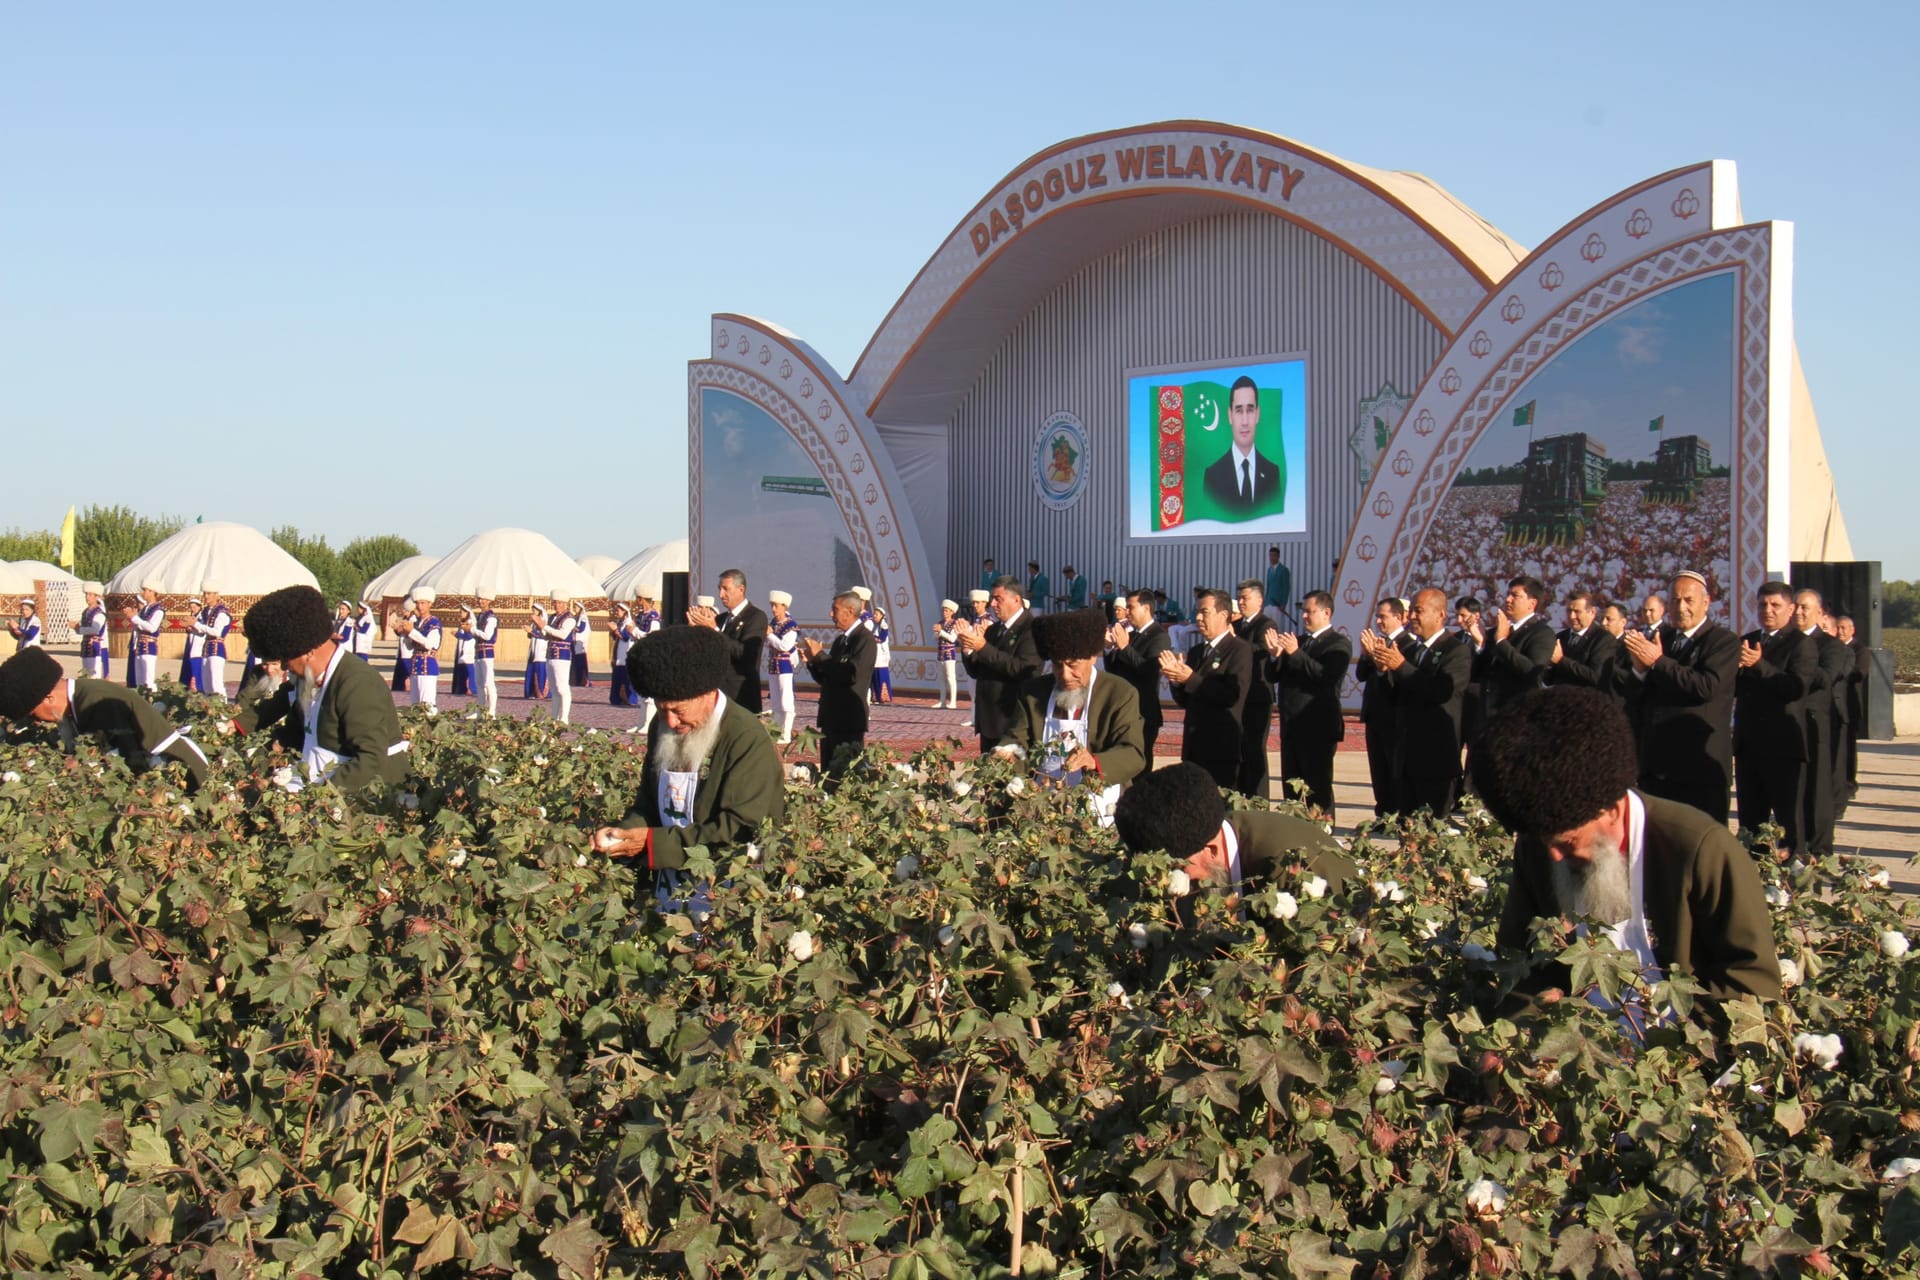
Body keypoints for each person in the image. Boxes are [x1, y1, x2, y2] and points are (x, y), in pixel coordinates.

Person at [1472, 686, 1781, 1003]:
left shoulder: (1701, 849)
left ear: (1613, 809)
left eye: (1567, 842)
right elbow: (1520, 966)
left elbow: (1751, 982)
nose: (1553, 854)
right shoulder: (1537, 843)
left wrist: (1674, 1042)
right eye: (1543, 840)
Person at [593, 625, 785, 892]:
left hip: (727, 892)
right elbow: (648, 803)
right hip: (669, 886)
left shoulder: (745, 738)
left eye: (678, 710)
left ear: (707, 693)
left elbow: (740, 830)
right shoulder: (661, 727)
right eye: (661, 709)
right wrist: (623, 834)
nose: (670, 721)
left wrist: (652, 844)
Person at [1113, 763, 1357, 922]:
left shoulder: (1289, 866)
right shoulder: (1203, 846)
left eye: (1174, 868)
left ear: (1211, 849)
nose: (1164, 880)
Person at [226, 584, 409, 793]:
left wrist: (318, 798)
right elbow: (292, 732)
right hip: (317, 779)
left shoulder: (357, 683)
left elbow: (370, 759)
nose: (284, 666)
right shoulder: (307, 679)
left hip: (367, 793)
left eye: (286, 659)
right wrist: (257, 767)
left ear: (308, 653)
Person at [0, 646, 209, 791]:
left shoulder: (96, 702)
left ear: (49, 698)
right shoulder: (81, 699)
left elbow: (129, 762)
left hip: (182, 775)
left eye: (32, 712)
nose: (36, 721)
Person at [1621, 570, 1737, 822]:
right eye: (1675, 600)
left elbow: (1706, 687)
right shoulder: (1663, 638)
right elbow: (1638, 698)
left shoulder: (1721, 641)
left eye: (1688, 600)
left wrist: (1658, 661)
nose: (1681, 607)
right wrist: (1639, 671)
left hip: (1698, 767)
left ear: (1705, 603)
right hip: (1657, 764)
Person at [1003, 607, 1146, 790]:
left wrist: (1094, 762)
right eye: (1057, 665)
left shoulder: (1120, 693)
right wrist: (1005, 753)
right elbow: (1016, 738)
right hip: (1042, 799)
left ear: (1093, 657)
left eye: (1073, 665)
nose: (1065, 675)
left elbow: (1133, 753)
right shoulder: (1033, 692)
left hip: (1100, 799)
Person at [1372, 587, 1473, 817]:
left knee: (1430, 834)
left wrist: (1400, 666)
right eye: (1412, 611)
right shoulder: (1411, 649)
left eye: (1419, 611)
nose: (1413, 617)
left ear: (1440, 615)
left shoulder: (1456, 651)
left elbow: (1440, 691)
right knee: (1407, 833)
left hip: (1435, 758)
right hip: (1406, 757)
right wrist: (1383, 671)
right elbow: (1394, 696)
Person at [1733, 582, 1819, 853]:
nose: (1767, 611)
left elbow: (1795, 688)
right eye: (1762, 605)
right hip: (1749, 746)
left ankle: (1793, 881)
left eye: (1775, 605)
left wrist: (1759, 665)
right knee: (1751, 825)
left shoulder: (1801, 644)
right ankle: (1755, 879)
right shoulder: (1747, 641)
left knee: (1788, 823)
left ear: (1790, 609)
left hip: (1784, 749)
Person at [1266, 589, 1352, 816]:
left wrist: (1295, 653)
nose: (1304, 616)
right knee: (1292, 785)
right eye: (1302, 612)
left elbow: (1325, 677)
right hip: (1292, 725)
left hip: (1318, 726)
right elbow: (1274, 676)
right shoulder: (1300, 641)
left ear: (1326, 612)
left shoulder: (1338, 643)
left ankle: (1323, 830)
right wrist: (1276, 655)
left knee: (1317, 785)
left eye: (1309, 612)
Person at [1159, 588, 1252, 791]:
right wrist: (1176, 680)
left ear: (1223, 615)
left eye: (1204, 612)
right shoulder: (1197, 652)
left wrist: (1190, 678)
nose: (1198, 618)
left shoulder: (1239, 650)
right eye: (1197, 612)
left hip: (1220, 747)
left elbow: (1231, 695)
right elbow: (1186, 700)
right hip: (1194, 745)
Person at [958, 575, 1041, 753]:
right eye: (992, 599)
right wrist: (968, 648)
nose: (993, 605)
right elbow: (976, 671)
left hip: (1012, 722)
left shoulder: (1031, 629)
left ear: (1016, 599)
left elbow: (1021, 668)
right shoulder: (994, 630)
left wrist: (983, 647)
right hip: (989, 721)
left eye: (998, 599)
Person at [1797, 589, 1852, 852]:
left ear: (1820, 613)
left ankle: (1819, 847)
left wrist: (1797, 667)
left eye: (1805, 607)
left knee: (1819, 789)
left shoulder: (1831, 646)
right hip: (1785, 726)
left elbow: (1825, 678)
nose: (1798, 612)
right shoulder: (1784, 641)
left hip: (1817, 723)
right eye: (1795, 606)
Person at [801, 590, 878, 774]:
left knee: (846, 775)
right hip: (831, 718)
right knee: (828, 774)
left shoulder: (864, 640)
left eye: (835, 609)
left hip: (848, 720)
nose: (831, 614)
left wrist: (821, 656)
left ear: (850, 611)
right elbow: (827, 679)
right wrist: (813, 662)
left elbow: (851, 675)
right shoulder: (840, 641)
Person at [1354, 596, 1416, 817]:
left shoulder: (1408, 644)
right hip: (1374, 715)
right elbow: (1361, 675)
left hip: (1394, 715)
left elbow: (1398, 682)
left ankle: (1397, 813)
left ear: (1398, 617)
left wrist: (1382, 667)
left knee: (1394, 769)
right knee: (1378, 769)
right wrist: (1366, 655)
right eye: (1377, 616)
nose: (1378, 621)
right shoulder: (1377, 642)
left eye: (1383, 616)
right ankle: (1383, 812)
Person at [1105, 589, 1172, 764]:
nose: (1127, 611)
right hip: (1123, 709)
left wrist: (1125, 648)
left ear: (1146, 608)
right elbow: (1114, 670)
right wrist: (1109, 648)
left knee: (1140, 764)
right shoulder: (1131, 634)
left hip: (1143, 711)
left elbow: (1148, 670)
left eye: (1131, 607)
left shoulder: (1160, 636)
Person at [1476, 576, 1556, 720]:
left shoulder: (1542, 633)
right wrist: (1479, 645)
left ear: (1532, 603)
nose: (1508, 599)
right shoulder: (1495, 632)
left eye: (1515, 596)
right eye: (1508, 594)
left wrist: (1502, 642)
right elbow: (1477, 673)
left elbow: (1532, 671)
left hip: (1516, 717)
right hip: (1486, 717)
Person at [691, 568, 768, 716]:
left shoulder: (755, 617)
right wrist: (698, 631)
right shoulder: (721, 619)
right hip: (717, 695)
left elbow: (745, 654)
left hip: (740, 697)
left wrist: (714, 630)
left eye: (726, 589)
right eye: (719, 589)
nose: (721, 595)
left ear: (741, 589)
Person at [1202, 376, 1283, 513]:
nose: (1245, 421)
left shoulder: (1272, 474)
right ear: (1230, 415)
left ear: (1257, 414)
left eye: (1250, 410)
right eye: (1239, 410)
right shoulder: (1212, 476)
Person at [1231, 579, 1279, 797]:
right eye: (1239, 597)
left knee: (1255, 750)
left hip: (1258, 695)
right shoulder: (1237, 625)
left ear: (1259, 601)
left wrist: (1235, 643)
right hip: (1239, 695)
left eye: (1245, 598)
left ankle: (1259, 799)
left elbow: (1260, 651)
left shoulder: (1266, 625)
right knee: (1239, 748)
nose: (1240, 602)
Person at [1548, 589, 1619, 696]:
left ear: (1592, 612)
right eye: (1569, 611)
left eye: (1577, 611)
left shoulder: (1604, 639)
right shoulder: (1560, 637)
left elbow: (1596, 677)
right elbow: (1549, 679)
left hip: (1586, 703)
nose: (1572, 616)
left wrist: (1561, 660)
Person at [393, 590, 444, 708]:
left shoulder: (433, 623)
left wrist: (411, 632)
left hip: (427, 664)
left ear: (430, 604)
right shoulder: (417, 623)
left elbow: (430, 644)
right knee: (415, 704)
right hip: (415, 664)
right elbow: (410, 646)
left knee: (427, 704)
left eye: (423, 603)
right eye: (418, 603)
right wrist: (406, 634)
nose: (420, 606)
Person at [535, 590, 578, 723]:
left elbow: (562, 634)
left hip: (562, 656)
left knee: (562, 687)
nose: (557, 605)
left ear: (565, 604)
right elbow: (548, 635)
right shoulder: (553, 617)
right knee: (554, 689)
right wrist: (538, 628)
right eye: (555, 603)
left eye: (560, 603)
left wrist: (544, 626)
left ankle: (564, 717)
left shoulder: (569, 619)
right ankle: (554, 716)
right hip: (551, 654)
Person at [765, 589, 801, 743]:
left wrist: (769, 635)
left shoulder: (791, 626)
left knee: (786, 701)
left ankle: (786, 734)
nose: (773, 609)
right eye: (772, 605)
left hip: (785, 665)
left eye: (776, 606)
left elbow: (784, 646)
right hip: (773, 664)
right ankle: (777, 731)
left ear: (784, 606)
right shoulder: (773, 623)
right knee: (775, 701)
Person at [1838, 614, 1868, 799]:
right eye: (1838, 628)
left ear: (1852, 630)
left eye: (1844, 628)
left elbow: (1859, 673)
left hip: (1850, 705)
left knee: (1848, 746)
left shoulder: (1860, 650)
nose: (1840, 632)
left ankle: (1850, 782)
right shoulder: (1832, 648)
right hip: (1834, 705)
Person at [192, 584, 232, 700]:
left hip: (216, 649)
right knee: (207, 684)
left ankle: (222, 712)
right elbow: (203, 631)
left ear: (216, 595)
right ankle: (210, 711)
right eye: (205, 593)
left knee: (216, 683)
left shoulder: (221, 612)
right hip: (206, 649)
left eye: (209, 593)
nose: (206, 596)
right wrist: (193, 628)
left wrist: (196, 624)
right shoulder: (206, 611)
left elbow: (216, 632)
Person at [126, 582, 165, 691]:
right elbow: (139, 625)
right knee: (140, 682)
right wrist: (132, 618)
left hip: (149, 646)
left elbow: (152, 628)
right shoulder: (144, 609)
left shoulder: (158, 610)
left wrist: (135, 618)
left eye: (145, 590)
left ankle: (152, 702)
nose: (142, 592)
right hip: (140, 646)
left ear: (152, 592)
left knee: (148, 680)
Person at [469, 589, 500, 716]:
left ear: (489, 601)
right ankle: (480, 711)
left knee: (488, 682)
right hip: (478, 652)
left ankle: (492, 711)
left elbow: (487, 636)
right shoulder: (480, 616)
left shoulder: (491, 618)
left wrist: (472, 630)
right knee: (480, 684)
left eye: (484, 599)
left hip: (487, 652)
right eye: (480, 599)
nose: (481, 601)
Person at [609, 603, 644, 709]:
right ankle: (616, 699)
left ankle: (631, 699)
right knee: (617, 679)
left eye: (619, 610)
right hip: (619, 655)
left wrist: (615, 630)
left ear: (625, 612)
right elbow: (617, 638)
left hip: (626, 654)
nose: (617, 612)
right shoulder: (620, 622)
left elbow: (625, 637)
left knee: (628, 680)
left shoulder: (629, 623)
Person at [75, 582, 109, 679]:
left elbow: (95, 630)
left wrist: (79, 629)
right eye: (86, 594)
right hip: (86, 647)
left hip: (95, 648)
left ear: (96, 597)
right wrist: (77, 628)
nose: (87, 597)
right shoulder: (86, 612)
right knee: (86, 674)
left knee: (94, 676)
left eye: (90, 595)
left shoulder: (99, 613)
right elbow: (83, 630)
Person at [933, 599, 961, 710]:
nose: (945, 612)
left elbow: (953, 639)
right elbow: (935, 638)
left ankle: (953, 701)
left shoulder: (954, 624)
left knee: (950, 677)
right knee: (941, 678)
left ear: (952, 612)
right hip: (940, 653)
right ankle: (942, 701)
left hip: (949, 653)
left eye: (947, 610)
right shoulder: (940, 623)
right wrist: (936, 632)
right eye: (944, 610)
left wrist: (941, 632)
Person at [524, 604, 550, 701]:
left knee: (540, 670)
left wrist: (532, 631)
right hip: (533, 649)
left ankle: (542, 692)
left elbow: (543, 635)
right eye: (533, 609)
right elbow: (531, 635)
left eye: (535, 609)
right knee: (531, 669)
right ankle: (531, 692)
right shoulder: (533, 622)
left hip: (541, 648)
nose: (533, 611)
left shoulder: (543, 621)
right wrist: (529, 631)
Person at [451, 607, 478, 698]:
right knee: (462, 671)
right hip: (462, 650)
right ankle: (461, 689)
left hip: (468, 651)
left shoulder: (470, 623)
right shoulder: (462, 623)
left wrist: (457, 634)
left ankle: (474, 690)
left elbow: (469, 636)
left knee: (470, 671)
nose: (461, 614)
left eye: (462, 612)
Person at [1263, 547, 1293, 628]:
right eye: (1270, 555)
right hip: (1268, 603)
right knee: (1265, 626)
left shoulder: (1284, 570)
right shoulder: (1269, 570)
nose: (1271, 558)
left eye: (1274, 555)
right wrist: (1265, 602)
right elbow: (1268, 587)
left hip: (1277, 604)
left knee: (1276, 627)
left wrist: (1283, 603)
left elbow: (1286, 588)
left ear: (1278, 556)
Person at [870, 604, 893, 704]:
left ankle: (883, 698)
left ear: (882, 616)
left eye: (876, 614)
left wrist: (871, 638)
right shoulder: (875, 626)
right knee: (874, 677)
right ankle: (875, 697)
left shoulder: (884, 626)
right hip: (876, 656)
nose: (874, 616)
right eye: (874, 614)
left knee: (881, 677)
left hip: (882, 656)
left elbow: (882, 638)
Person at [569, 599, 593, 689]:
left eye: (576, 607)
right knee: (574, 662)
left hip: (580, 643)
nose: (575, 608)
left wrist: (573, 627)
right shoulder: (575, 617)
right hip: (574, 642)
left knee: (581, 662)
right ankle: (575, 680)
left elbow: (581, 629)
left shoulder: (583, 617)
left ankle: (584, 681)